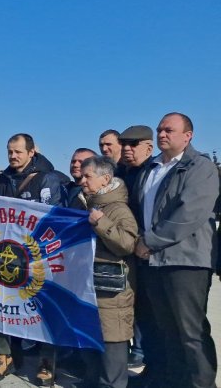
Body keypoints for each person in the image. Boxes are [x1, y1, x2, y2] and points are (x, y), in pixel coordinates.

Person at [131, 112, 218, 388]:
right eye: (159, 129)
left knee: (191, 331)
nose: (161, 134)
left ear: (187, 136)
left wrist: (150, 241)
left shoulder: (200, 167)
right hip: (154, 261)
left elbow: (189, 213)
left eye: (169, 130)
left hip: (185, 262)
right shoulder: (151, 168)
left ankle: (202, 383)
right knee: (166, 329)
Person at [0, 133, 65, 384]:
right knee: (1, 305)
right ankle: (4, 357)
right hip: (8, 255)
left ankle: (46, 363)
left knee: (42, 310)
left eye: (18, 151)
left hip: (38, 258)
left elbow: (52, 216)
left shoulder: (47, 178)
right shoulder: (3, 178)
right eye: (10, 151)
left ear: (31, 152)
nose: (13, 156)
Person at [77, 156, 137, 388]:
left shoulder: (118, 209)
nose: (82, 181)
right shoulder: (85, 205)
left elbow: (127, 244)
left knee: (113, 345)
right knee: (91, 343)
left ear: (105, 179)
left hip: (111, 293)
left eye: (88, 176)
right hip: (89, 287)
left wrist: (101, 223)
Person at [115, 125, 154, 372]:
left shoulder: (153, 171)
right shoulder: (121, 173)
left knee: (147, 306)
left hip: (148, 247)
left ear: (149, 147)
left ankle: (142, 351)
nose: (127, 149)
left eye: (133, 144)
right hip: (125, 246)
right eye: (124, 144)